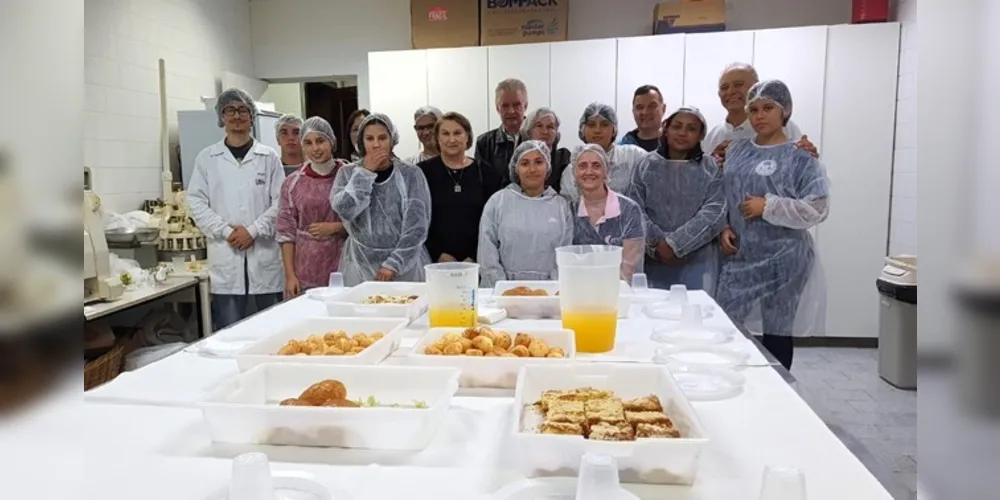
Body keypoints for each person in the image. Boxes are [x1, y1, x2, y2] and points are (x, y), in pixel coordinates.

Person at [716, 80, 831, 370]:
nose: (760, 116)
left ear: (785, 111)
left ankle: (779, 393)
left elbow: (817, 207)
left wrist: (768, 206)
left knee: (778, 330)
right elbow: (719, 194)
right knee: (726, 324)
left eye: (768, 108)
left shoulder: (801, 155)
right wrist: (723, 226)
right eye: (753, 109)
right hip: (740, 255)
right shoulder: (736, 151)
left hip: (786, 259)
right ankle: (734, 383)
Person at [187, 88, 285, 330]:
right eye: (230, 110)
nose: (237, 115)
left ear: (252, 115)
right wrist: (226, 231)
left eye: (243, 110)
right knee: (229, 334)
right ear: (222, 117)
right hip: (226, 258)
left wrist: (252, 231)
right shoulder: (207, 158)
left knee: (270, 330)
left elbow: (281, 202)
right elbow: (196, 201)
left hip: (264, 257)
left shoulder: (269, 157)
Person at [629, 107, 726, 293]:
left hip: (697, 259)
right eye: (677, 126)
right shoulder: (644, 165)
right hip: (653, 259)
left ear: (700, 135)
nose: (683, 133)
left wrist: (676, 244)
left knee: (695, 315)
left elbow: (715, 212)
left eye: (691, 128)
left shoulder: (711, 168)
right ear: (666, 129)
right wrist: (657, 244)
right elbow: (635, 209)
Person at [331, 113, 432, 286]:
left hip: (405, 268)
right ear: (361, 142)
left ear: (392, 140)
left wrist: (394, 263)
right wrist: (365, 173)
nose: (376, 144)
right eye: (370, 138)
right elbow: (345, 209)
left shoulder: (411, 174)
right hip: (359, 263)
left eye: (382, 138)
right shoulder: (347, 173)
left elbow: (416, 227)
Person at [478, 140, 574, 287]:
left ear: (547, 166)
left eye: (538, 162)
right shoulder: (498, 202)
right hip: (503, 292)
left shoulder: (561, 206)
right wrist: (502, 287)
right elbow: (487, 252)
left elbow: (565, 253)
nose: (532, 169)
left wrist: (550, 289)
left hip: (549, 294)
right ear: (516, 168)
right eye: (524, 163)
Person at [276, 117, 348, 298]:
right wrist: (290, 275)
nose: (315, 148)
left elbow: (367, 221)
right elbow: (286, 233)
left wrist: (338, 227)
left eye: (320, 141)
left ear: (332, 141)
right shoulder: (292, 183)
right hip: (305, 270)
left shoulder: (350, 176)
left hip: (346, 265)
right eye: (308, 143)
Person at [419, 112, 502, 264]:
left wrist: (474, 255)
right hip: (433, 261)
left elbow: (493, 221)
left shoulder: (486, 173)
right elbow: (417, 219)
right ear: (437, 138)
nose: (452, 139)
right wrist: (438, 253)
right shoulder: (422, 173)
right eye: (445, 134)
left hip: (477, 261)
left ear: (468, 137)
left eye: (457, 133)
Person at [703, 62, 818, 165]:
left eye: (738, 84)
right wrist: (711, 164)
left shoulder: (782, 127)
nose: (730, 91)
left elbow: (802, 170)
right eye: (724, 87)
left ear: (756, 88)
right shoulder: (713, 136)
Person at [570, 144, 645, 282]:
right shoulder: (570, 210)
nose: (589, 171)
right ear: (574, 172)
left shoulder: (628, 209)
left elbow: (631, 266)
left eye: (596, 165)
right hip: (580, 291)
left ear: (607, 171)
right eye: (582, 166)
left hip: (619, 292)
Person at [560, 103, 646, 201]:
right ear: (582, 130)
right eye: (591, 125)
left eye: (604, 124)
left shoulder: (633, 156)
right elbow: (567, 211)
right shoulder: (571, 171)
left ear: (614, 129)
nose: (597, 130)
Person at [475, 78, 528, 185]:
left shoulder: (537, 139)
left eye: (517, 105)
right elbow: (481, 184)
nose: (511, 111)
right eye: (505, 105)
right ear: (497, 108)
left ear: (525, 106)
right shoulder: (484, 143)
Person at [520, 107, 571, 192]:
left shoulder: (564, 157)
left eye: (550, 127)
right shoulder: (520, 159)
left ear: (556, 133)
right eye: (539, 126)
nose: (545, 131)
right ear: (529, 132)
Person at [619, 85, 666, 152]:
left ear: (663, 109)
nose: (645, 112)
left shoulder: (675, 145)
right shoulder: (622, 149)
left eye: (651, 106)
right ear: (633, 111)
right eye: (639, 107)